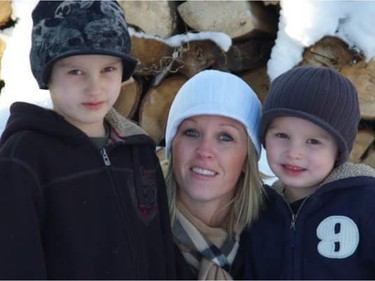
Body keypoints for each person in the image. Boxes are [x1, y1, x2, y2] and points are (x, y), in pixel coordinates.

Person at [0, 1, 178, 279]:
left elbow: (162, 252)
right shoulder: (24, 158)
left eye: (108, 69)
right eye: (76, 71)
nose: (95, 87)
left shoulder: (138, 154)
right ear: (46, 73)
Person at [244, 66, 375, 279]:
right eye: (282, 135)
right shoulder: (260, 212)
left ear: (338, 150)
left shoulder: (366, 202)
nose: (294, 153)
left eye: (313, 141)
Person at [164, 69, 265, 279]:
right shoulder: (136, 228)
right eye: (191, 132)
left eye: (225, 137)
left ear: (247, 159)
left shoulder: (272, 235)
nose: (205, 151)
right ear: (172, 146)